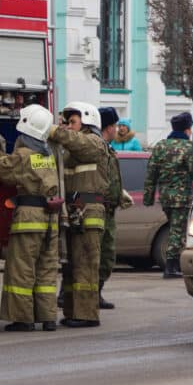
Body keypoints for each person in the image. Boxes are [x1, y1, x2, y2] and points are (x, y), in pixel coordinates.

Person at [0, 104, 61, 332]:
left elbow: (3, 171)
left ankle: (23, 319)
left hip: (29, 219)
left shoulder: (23, 155)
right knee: (46, 269)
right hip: (51, 220)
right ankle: (48, 318)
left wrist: (0, 151)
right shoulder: (48, 155)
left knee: (22, 268)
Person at [49, 102, 108, 327]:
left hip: (89, 213)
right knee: (71, 266)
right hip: (74, 213)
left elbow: (78, 142)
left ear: (87, 121)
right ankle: (73, 312)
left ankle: (87, 315)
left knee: (85, 264)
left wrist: (56, 131)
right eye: (66, 122)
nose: (68, 126)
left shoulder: (94, 143)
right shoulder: (70, 151)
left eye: (72, 122)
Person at [143, 112, 193, 278]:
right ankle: (171, 267)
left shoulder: (160, 146)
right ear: (187, 130)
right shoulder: (188, 148)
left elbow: (151, 172)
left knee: (174, 228)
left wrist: (148, 198)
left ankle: (174, 264)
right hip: (181, 197)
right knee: (178, 231)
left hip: (165, 197)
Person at [97, 107, 134, 310]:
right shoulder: (98, 147)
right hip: (99, 210)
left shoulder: (107, 147)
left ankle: (97, 293)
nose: (116, 129)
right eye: (114, 126)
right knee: (95, 256)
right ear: (109, 127)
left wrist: (120, 194)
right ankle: (85, 294)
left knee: (106, 256)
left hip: (109, 209)